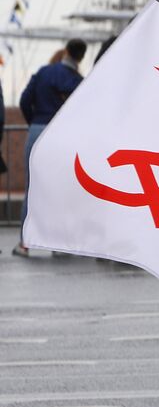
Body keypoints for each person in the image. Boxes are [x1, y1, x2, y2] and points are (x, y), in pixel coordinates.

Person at [14, 38, 86, 257]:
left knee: (32, 189)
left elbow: (25, 100)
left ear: (66, 51)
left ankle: (25, 243)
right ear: (81, 57)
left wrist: (34, 122)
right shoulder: (78, 81)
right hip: (62, 134)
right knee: (61, 189)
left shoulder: (44, 72)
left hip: (37, 130)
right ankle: (58, 243)